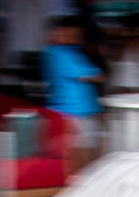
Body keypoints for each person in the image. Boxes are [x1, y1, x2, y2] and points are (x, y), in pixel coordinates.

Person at [41, 16, 104, 153]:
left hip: (79, 114)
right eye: (73, 33)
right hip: (72, 115)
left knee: (86, 154)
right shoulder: (59, 53)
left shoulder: (68, 52)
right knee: (82, 155)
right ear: (57, 32)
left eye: (78, 34)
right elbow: (97, 76)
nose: (76, 36)